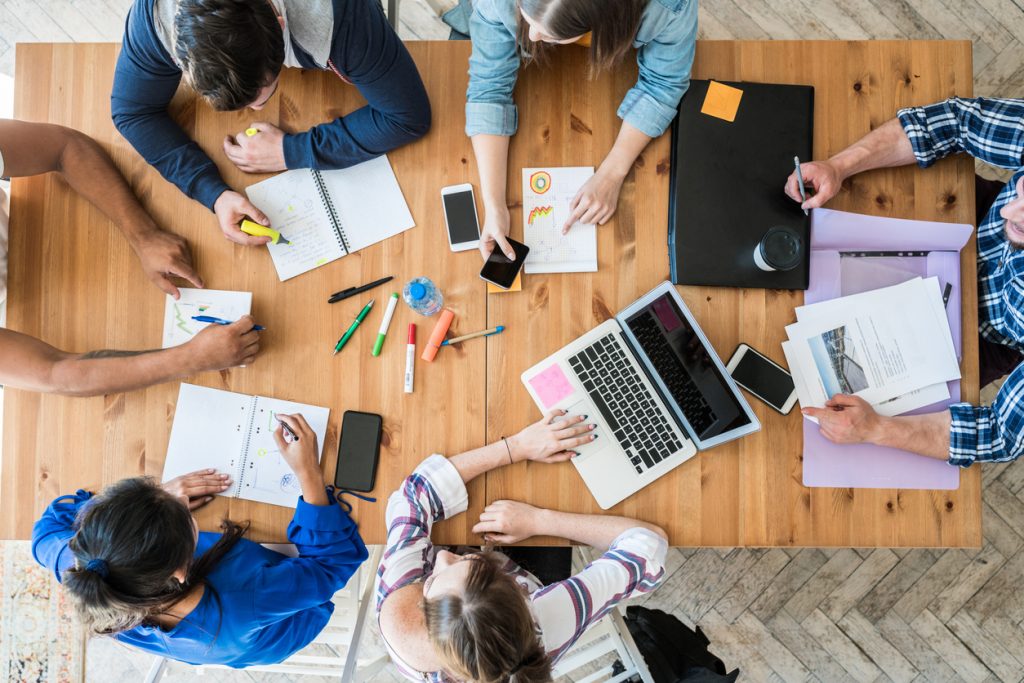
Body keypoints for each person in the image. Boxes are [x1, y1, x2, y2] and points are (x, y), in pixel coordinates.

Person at [785, 97, 1024, 466]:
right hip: (971, 218)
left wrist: (876, 429)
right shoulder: (1007, 212)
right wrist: (839, 166)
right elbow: (956, 122)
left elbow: (1000, 432)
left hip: (986, 335)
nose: (1013, 209)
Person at [31, 413, 367, 667]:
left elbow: (45, 530)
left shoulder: (88, 567)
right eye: (185, 520)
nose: (180, 504)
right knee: (311, 583)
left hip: (213, 638)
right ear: (180, 570)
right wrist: (308, 472)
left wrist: (156, 502)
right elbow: (331, 566)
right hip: (282, 623)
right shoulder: (245, 598)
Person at [376, 409, 669, 682]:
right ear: (521, 593)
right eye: (462, 563)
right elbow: (648, 546)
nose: (444, 556)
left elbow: (413, 496)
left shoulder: (398, 593)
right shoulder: (549, 620)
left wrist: (516, 447)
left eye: (433, 583)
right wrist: (539, 521)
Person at [112, 0, 432, 247]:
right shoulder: (157, 19)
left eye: (260, 97)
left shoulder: (344, 23)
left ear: (280, 27)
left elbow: (407, 117)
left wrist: (293, 151)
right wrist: (214, 193)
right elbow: (133, 112)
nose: (254, 110)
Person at [0, 119, 258, 396]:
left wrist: (143, 235)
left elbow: (66, 147)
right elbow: (54, 374)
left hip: (35, 225)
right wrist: (192, 358)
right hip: (22, 304)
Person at [466, 0, 697, 261]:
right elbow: (488, 89)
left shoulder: (668, 7)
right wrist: (495, 206)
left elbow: (663, 85)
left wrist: (612, 174)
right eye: (526, 17)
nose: (531, 37)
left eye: (549, 33)